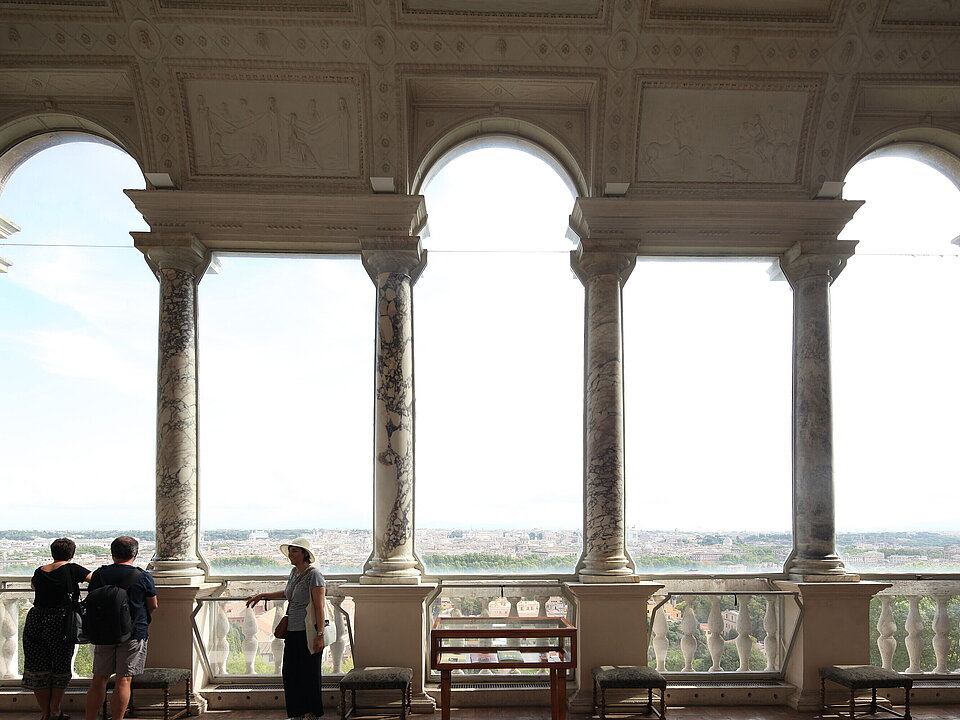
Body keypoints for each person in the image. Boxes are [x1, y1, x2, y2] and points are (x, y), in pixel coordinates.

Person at [246, 537, 326, 720]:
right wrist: (264, 595)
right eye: (290, 551)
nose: (290, 554)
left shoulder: (314, 575)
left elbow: (319, 606)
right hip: (292, 630)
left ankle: (311, 712)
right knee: (291, 672)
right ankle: (297, 712)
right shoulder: (294, 573)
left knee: (309, 673)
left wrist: (320, 634)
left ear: (305, 554)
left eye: (294, 551)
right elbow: (287, 593)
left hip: (308, 631)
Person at [84, 536, 157, 720]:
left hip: (102, 632)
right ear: (136, 553)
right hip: (133, 632)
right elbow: (153, 605)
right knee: (124, 679)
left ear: (112, 553)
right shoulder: (143, 576)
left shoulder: (99, 575)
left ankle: (91, 718)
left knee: (99, 679)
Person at [22, 537, 91, 720]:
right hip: (60, 621)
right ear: (72, 554)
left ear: (52, 552)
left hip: (36, 619)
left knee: (38, 666)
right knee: (60, 666)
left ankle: (45, 713)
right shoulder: (72, 568)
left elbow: (33, 586)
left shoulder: (40, 571)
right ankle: (55, 710)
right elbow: (94, 580)